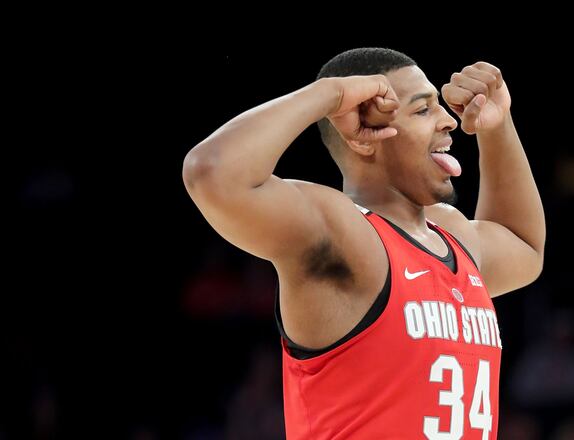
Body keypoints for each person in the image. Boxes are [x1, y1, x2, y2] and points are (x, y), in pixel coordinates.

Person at [182, 47, 545, 439]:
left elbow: (523, 244)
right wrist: (330, 94)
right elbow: (212, 172)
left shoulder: (453, 235)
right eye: (422, 111)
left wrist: (498, 127)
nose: (447, 120)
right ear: (362, 137)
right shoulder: (347, 234)